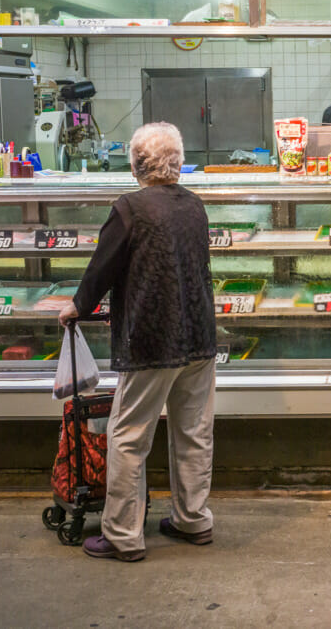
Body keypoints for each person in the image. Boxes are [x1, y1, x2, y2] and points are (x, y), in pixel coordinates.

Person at [58, 121, 218, 562]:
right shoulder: (195, 207)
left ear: (135, 166)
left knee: (127, 436)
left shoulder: (129, 208)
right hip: (200, 336)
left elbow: (101, 269)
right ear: (178, 164)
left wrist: (78, 306)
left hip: (153, 339)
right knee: (193, 431)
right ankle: (193, 519)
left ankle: (124, 536)